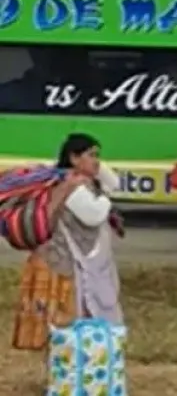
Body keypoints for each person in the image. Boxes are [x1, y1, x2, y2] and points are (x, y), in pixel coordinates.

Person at [11, 133, 126, 352]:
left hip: (77, 265)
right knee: (65, 323)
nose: (97, 161)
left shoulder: (80, 182)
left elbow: (114, 182)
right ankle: (67, 374)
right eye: (91, 155)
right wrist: (105, 196)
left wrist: (95, 171)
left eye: (98, 155)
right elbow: (94, 214)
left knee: (75, 323)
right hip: (65, 265)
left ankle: (79, 371)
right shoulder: (70, 187)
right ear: (74, 158)